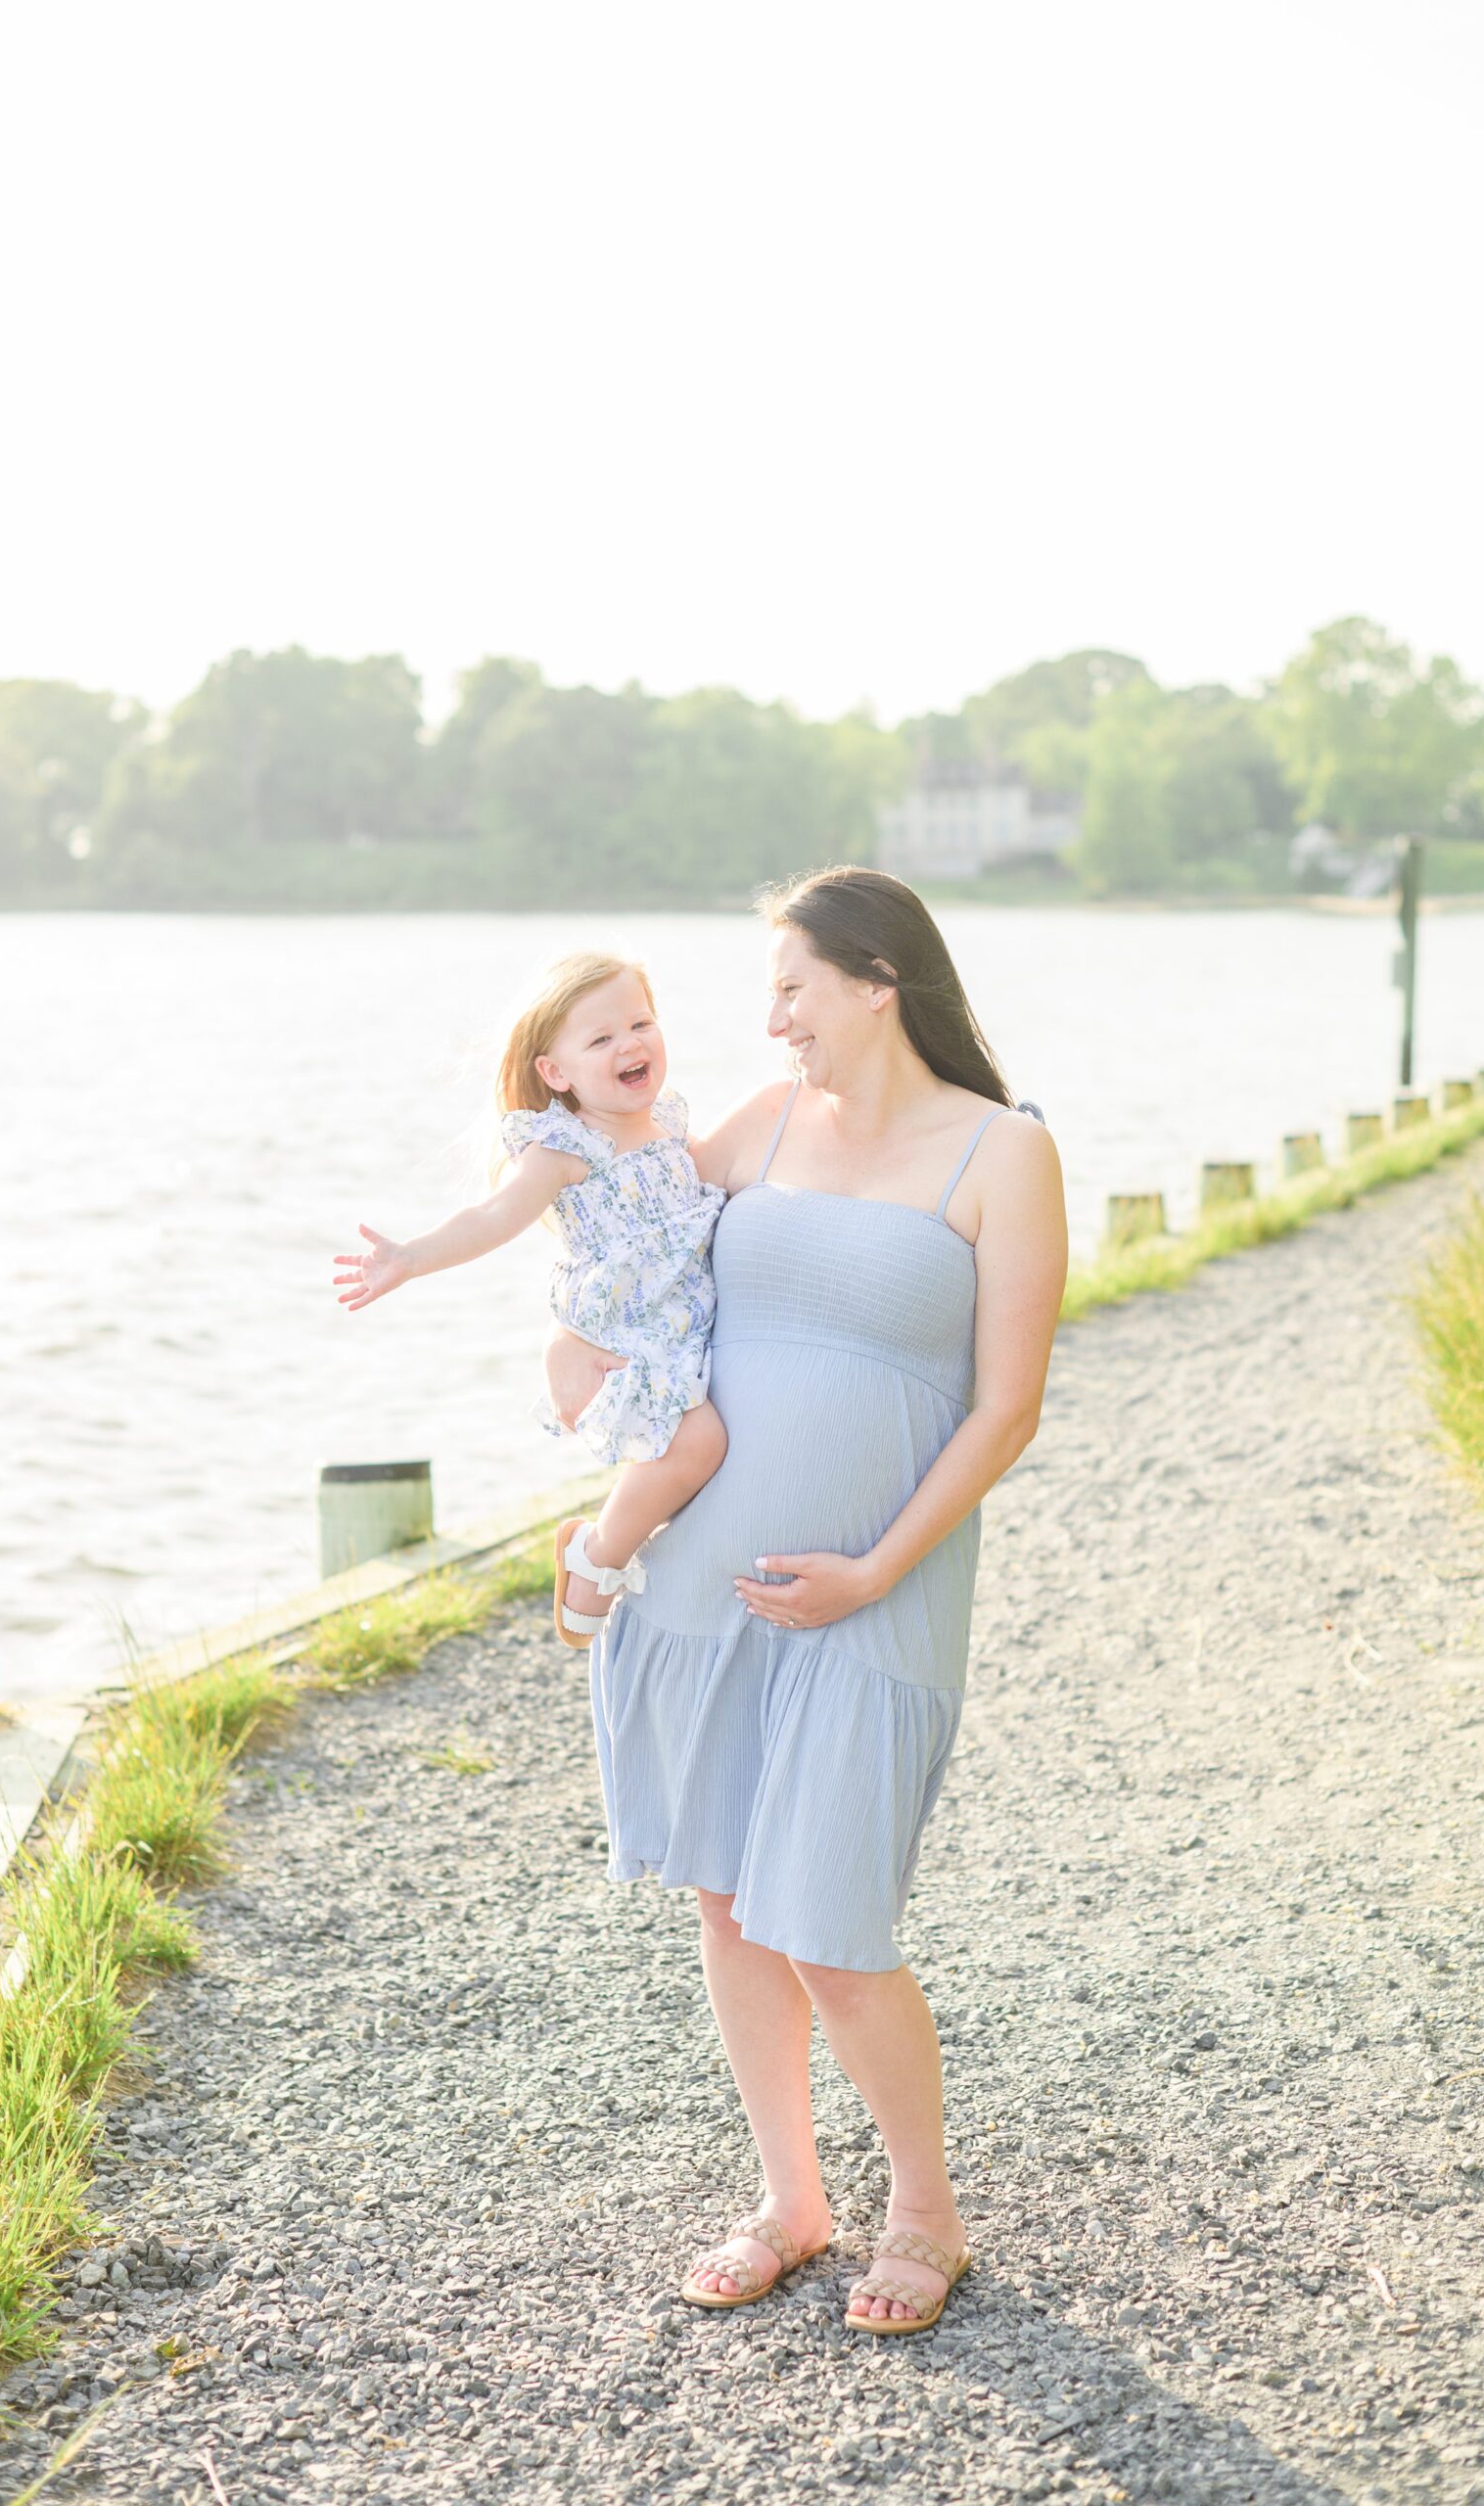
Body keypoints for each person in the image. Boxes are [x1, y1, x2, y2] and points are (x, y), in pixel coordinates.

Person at [544, 865, 1067, 2334]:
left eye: (790, 988)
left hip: (871, 1597)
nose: (768, 1021)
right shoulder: (757, 1131)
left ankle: (924, 2211)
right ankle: (790, 2200)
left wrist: (875, 1569)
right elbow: (621, 1241)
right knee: (728, 1898)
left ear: (874, 980)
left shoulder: (999, 1153)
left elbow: (1006, 1410)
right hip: (700, 1585)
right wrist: (575, 1388)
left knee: (831, 1929)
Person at [333, 951, 727, 1645]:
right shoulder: (566, 1146)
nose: (630, 1044)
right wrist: (410, 1258)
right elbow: (492, 1217)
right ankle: (596, 1555)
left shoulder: (669, 1125)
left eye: (640, 1023)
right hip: (630, 1334)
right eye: (600, 1039)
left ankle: (640, 1551)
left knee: (707, 1460)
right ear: (556, 1072)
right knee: (697, 1443)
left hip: (687, 1322)